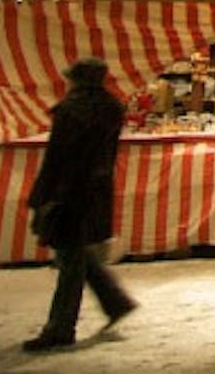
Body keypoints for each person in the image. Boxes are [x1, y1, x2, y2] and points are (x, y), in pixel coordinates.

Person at [23, 57, 136, 352]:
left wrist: (41, 196)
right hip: (95, 191)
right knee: (77, 253)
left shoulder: (71, 111)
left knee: (70, 260)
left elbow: (55, 159)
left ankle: (60, 327)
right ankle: (115, 302)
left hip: (68, 192)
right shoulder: (112, 108)